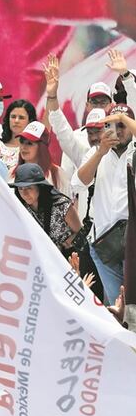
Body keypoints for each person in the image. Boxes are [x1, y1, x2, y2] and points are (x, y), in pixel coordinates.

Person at [75, 102, 136, 304]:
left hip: (132, 241)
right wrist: (100, 152)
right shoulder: (96, 152)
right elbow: (79, 182)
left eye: (121, 126)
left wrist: (123, 118)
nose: (117, 132)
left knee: (133, 305)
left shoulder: (134, 152)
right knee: (116, 307)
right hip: (103, 242)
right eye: (111, 126)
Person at [10, 163, 82, 255]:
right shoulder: (22, 209)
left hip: (69, 258)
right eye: (20, 188)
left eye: (29, 188)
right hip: (40, 259)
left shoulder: (62, 205)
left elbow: (80, 233)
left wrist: (70, 241)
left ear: (40, 187)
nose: (24, 193)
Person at [0, 99, 38, 172]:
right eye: (13, 117)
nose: (16, 121)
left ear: (30, 121)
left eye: (21, 118)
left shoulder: (35, 149)